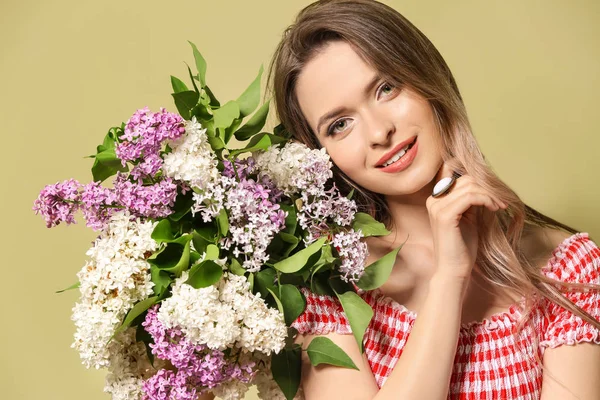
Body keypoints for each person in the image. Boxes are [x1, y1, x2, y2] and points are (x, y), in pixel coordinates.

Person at [267, 0, 600, 399]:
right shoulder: (323, 283)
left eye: (385, 88)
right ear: (321, 156)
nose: (379, 131)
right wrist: (449, 278)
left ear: (427, 77)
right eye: (340, 125)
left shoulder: (566, 269)